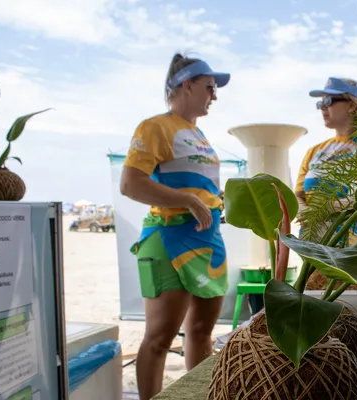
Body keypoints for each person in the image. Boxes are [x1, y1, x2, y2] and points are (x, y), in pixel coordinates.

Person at [119, 53, 230, 399]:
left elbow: (200, 187)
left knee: (201, 332)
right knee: (159, 339)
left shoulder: (198, 133)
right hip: (168, 238)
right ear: (187, 84)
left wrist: (215, 198)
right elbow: (131, 183)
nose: (214, 95)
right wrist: (188, 200)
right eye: (210, 87)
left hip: (207, 239)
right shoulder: (155, 126)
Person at [295, 77, 357, 249]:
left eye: (329, 101)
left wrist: (324, 209)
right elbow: (298, 195)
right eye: (320, 103)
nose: (322, 107)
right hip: (315, 248)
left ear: (352, 104)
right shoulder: (314, 151)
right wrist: (304, 211)